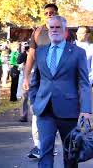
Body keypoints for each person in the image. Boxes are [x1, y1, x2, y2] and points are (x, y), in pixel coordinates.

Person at [29, 15, 92, 168]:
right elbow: (35, 81)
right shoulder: (41, 52)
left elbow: (84, 83)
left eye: (58, 27)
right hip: (44, 110)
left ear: (65, 31)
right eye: (52, 27)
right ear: (48, 30)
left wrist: (86, 110)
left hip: (69, 111)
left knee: (70, 154)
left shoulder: (77, 53)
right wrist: (33, 102)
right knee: (45, 151)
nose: (55, 30)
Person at [22, 3, 59, 158]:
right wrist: (26, 76)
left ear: (57, 13)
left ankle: (49, 144)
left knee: (55, 111)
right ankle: (39, 146)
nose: (49, 14)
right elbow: (31, 56)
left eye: (52, 12)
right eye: (46, 13)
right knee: (37, 109)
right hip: (40, 77)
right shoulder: (37, 32)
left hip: (58, 78)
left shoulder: (62, 30)